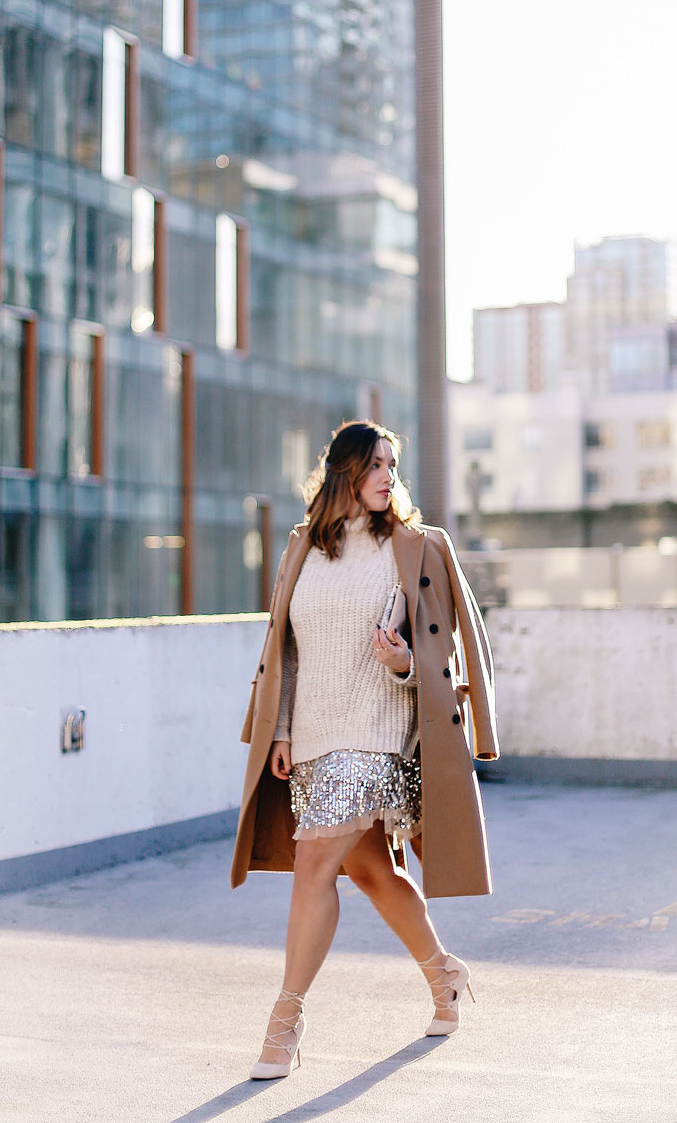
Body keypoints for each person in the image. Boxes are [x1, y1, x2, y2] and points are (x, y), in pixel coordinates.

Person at [230, 419, 499, 1080]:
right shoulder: (303, 548)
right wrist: (284, 730)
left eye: (393, 465)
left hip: (378, 733)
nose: (388, 476)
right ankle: (446, 976)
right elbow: (285, 651)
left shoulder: (414, 546)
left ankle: (285, 1022)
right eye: (376, 465)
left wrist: (405, 661)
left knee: (313, 865)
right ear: (345, 472)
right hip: (315, 736)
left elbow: (447, 650)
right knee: (373, 872)